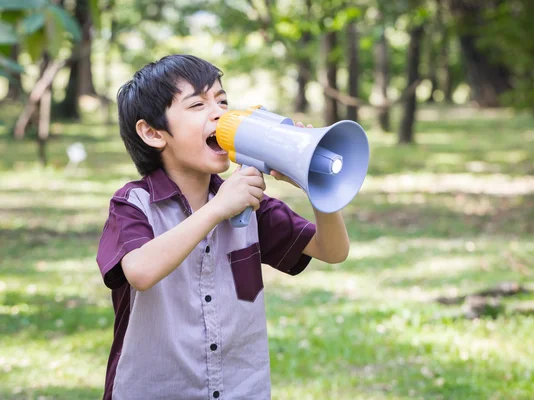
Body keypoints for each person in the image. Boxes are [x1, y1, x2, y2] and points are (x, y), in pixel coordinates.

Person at [95, 54, 350, 400]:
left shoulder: (246, 201)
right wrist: (217, 209)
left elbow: (332, 250)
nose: (219, 112)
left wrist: (314, 184)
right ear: (153, 133)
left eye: (222, 100)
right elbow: (140, 270)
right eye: (198, 104)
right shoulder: (133, 204)